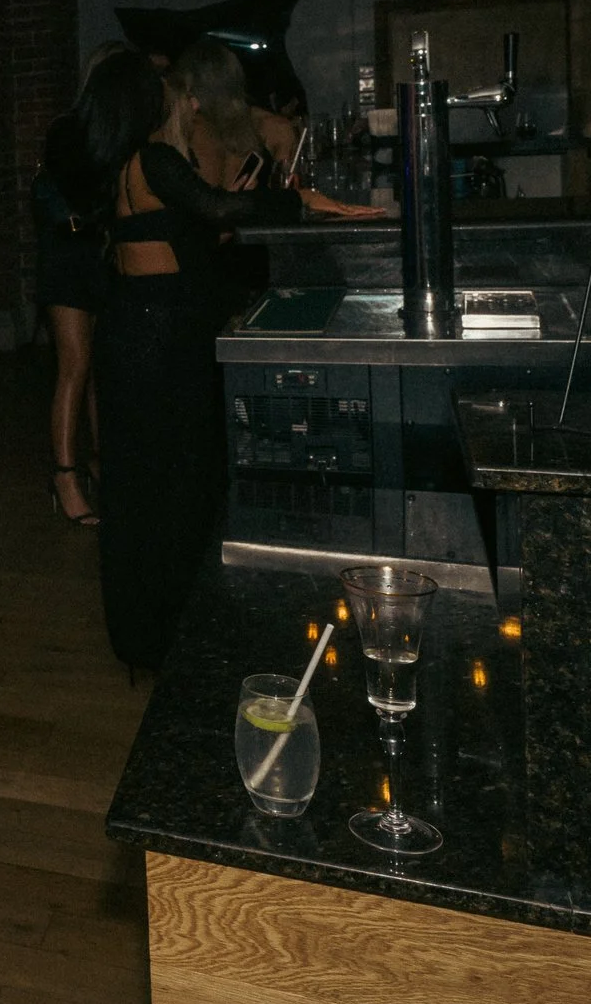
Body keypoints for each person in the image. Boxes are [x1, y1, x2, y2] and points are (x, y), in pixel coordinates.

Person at [96, 41, 380, 672]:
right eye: (181, 95)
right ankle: (162, 636)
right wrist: (299, 201)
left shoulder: (144, 159)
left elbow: (205, 226)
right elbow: (218, 209)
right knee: (167, 484)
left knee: (159, 482)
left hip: (149, 328)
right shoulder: (154, 158)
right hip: (154, 334)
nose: (191, 101)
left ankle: (160, 631)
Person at [35, 43, 136, 528]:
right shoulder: (69, 130)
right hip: (69, 254)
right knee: (74, 366)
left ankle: (101, 466)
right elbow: (72, 193)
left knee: (99, 365)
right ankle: (64, 475)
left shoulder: (122, 130)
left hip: (101, 255)